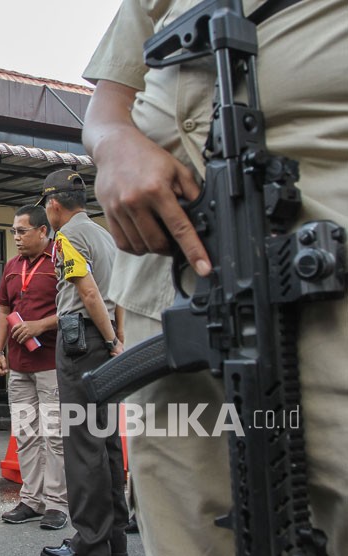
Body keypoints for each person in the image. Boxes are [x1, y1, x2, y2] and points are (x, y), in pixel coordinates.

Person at [80, 0, 348, 554]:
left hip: (324, 294)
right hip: (167, 298)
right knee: (183, 529)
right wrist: (114, 145)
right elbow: (106, 109)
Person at [36, 170, 128, 556]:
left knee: (82, 446)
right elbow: (118, 293)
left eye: (45, 205)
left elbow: (88, 292)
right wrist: (117, 341)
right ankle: (113, 540)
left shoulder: (68, 237)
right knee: (106, 445)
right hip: (105, 344)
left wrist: (106, 338)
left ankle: (89, 543)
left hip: (82, 343)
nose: (46, 212)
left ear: (53, 204)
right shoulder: (104, 235)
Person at [0, 205, 67, 530]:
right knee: (26, 433)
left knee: (55, 435)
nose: (17, 237)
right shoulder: (11, 266)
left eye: (22, 231)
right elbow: (2, 311)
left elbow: (74, 309)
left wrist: (40, 326)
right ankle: (31, 500)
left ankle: (57, 504)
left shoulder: (61, 262)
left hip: (51, 363)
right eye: (13, 232)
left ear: (42, 231)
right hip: (19, 366)